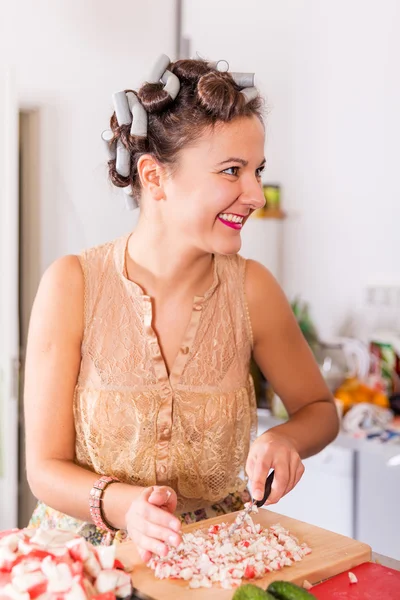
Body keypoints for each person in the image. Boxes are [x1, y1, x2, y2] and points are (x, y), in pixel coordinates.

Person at [24, 54, 339, 560]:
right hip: (88, 560)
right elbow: (44, 469)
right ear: (153, 176)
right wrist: (127, 506)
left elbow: (319, 411)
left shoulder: (253, 290)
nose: (255, 194)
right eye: (232, 171)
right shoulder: (72, 284)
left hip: (213, 556)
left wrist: (286, 439)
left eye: (257, 171)